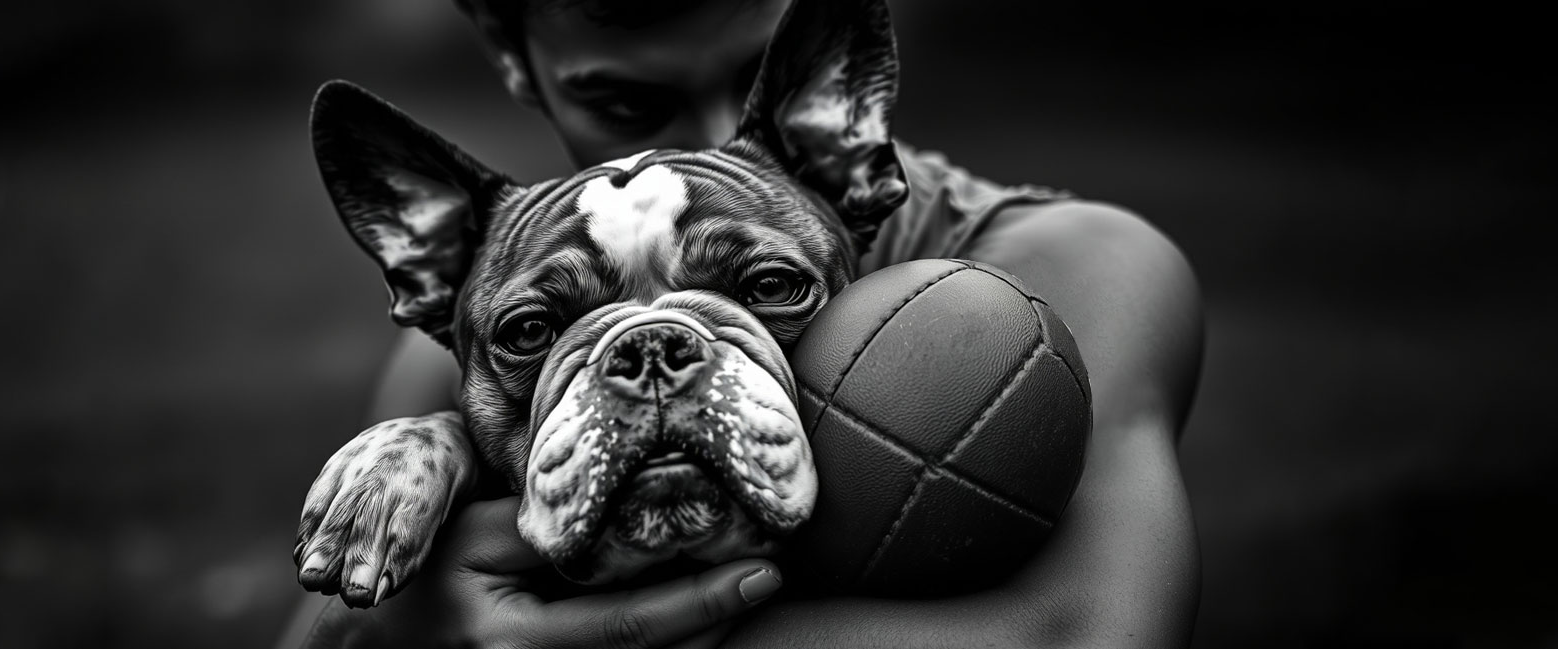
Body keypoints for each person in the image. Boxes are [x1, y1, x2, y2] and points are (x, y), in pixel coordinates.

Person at [277, 0, 1203, 646]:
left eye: (766, 285)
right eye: (627, 104)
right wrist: (385, 608)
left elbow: (1086, 633)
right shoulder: (450, 354)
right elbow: (324, 633)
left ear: (835, 127)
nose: (717, 141)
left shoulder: (1066, 268)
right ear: (515, 59)